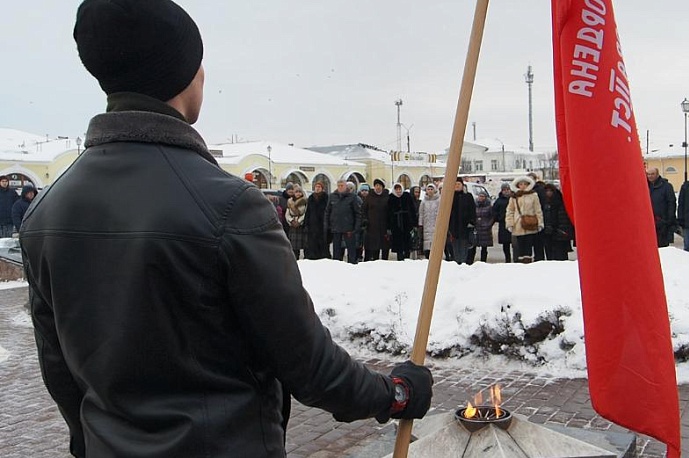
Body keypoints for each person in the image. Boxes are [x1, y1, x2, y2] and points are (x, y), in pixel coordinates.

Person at [20, 2, 433, 456]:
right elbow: (309, 365)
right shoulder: (229, 206)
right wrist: (396, 393)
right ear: (183, 74)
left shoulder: (45, 212)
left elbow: (60, 373)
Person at [505, 176, 544, 263]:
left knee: (529, 245)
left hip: (530, 223)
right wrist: (509, 223)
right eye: (521, 184)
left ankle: (528, 262)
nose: (523, 186)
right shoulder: (514, 196)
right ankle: (521, 263)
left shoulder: (533, 195)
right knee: (519, 246)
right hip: (518, 224)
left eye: (525, 184)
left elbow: (538, 210)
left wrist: (540, 223)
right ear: (518, 185)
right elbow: (510, 211)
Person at [326, 180, 361, 263]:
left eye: (342, 185)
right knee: (336, 252)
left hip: (349, 228)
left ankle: (352, 266)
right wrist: (328, 225)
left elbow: (357, 213)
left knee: (351, 252)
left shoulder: (352, 197)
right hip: (336, 228)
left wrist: (356, 227)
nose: (340, 187)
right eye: (339, 185)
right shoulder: (332, 196)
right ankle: (337, 266)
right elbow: (327, 212)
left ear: (346, 186)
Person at [541, 184, 575, 261]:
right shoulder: (543, 201)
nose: (548, 193)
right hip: (547, 231)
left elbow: (563, 217)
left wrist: (560, 229)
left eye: (550, 191)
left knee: (560, 253)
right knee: (550, 253)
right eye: (547, 191)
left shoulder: (560, 201)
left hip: (559, 231)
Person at [448, 178, 476, 264]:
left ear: (462, 185)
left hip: (465, 227)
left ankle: (464, 263)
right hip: (454, 227)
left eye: (458, 184)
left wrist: (472, 222)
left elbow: (472, 210)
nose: (457, 186)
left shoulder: (468, 196)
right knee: (455, 247)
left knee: (465, 246)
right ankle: (457, 262)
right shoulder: (450, 197)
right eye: (455, 184)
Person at [647, 167, 676, 248]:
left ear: (657, 174)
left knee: (662, 247)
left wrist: (669, 220)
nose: (650, 176)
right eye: (648, 174)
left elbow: (671, 203)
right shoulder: (644, 186)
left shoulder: (666, 186)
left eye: (652, 174)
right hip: (648, 222)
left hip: (662, 223)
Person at [362, 178, 390, 261]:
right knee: (374, 247)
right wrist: (365, 220)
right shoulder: (369, 197)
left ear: (382, 187)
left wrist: (389, 225)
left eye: (380, 185)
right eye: (376, 185)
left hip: (384, 226)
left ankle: (385, 262)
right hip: (372, 226)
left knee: (385, 247)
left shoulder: (387, 197)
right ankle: (375, 261)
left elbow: (390, 211)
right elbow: (364, 210)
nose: (378, 187)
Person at [388, 183, 417, 261]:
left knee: (407, 242)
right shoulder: (391, 198)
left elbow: (412, 210)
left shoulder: (407, 196)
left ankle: (407, 257)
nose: (398, 191)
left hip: (407, 223)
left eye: (399, 189)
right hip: (396, 224)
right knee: (398, 244)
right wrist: (389, 226)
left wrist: (414, 223)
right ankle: (400, 258)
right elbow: (388, 213)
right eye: (396, 189)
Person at [304, 181, 330, 259]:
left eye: (319, 187)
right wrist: (306, 223)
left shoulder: (326, 197)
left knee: (323, 244)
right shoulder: (311, 198)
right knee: (312, 244)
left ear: (322, 188)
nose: (317, 188)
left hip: (322, 224)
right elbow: (308, 211)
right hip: (312, 225)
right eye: (316, 187)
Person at [467, 191, 494, 263]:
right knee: (473, 246)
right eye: (480, 196)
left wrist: (488, 225)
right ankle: (470, 261)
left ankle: (483, 261)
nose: (481, 198)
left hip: (485, 230)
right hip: (476, 228)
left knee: (484, 247)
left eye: (483, 196)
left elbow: (492, 217)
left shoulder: (489, 207)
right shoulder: (474, 206)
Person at [491, 183, 513, 262]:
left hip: (513, 223)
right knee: (505, 243)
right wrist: (498, 218)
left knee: (515, 243)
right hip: (503, 224)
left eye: (507, 189)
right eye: (504, 190)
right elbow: (494, 211)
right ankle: (508, 259)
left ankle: (516, 258)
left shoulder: (513, 198)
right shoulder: (499, 200)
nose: (506, 191)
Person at [418, 183, 440, 259]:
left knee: (435, 242)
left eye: (431, 189)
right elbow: (421, 213)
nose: (430, 191)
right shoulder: (423, 202)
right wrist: (420, 224)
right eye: (428, 189)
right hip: (426, 226)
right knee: (427, 244)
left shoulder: (438, 201)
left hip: (435, 225)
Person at [286, 184, 308, 259]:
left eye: (299, 192)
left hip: (301, 225)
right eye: (296, 192)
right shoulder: (290, 201)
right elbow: (287, 214)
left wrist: (299, 221)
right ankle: (295, 259)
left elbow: (305, 213)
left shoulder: (305, 201)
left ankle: (306, 261)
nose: (298, 193)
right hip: (293, 225)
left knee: (304, 245)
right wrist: (291, 221)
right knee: (294, 247)